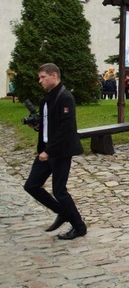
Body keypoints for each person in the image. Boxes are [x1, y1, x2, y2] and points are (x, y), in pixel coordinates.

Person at [23, 63, 87, 240]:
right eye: (40, 77)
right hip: (46, 149)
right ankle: (62, 211)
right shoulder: (46, 99)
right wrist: (36, 126)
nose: (40, 81)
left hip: (60, 151)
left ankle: (79, 227)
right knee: (31, 185)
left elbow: (66, 129)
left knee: (59, 191)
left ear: (54, 76)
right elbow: (48, 125)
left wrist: (48, 151)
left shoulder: (65, 97)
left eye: (43, 77)